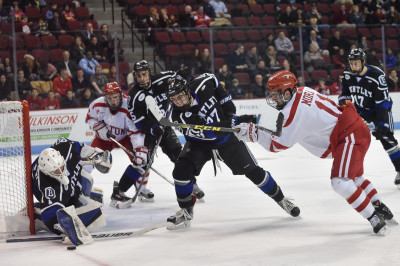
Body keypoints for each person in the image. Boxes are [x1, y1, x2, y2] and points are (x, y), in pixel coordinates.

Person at [235, 70, 394, 235]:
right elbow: (286, 125)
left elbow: (277, 145)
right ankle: (378, 205)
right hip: (352, 129)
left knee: (341, 182)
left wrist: (253, 133)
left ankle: (374, 217)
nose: (273, 98)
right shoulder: (303, 91)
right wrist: (258, 128)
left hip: (349, 135)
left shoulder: (294, 113)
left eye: (276, 94)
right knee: (355, 178)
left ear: (288, 92)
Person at [163, 74, 300, 229]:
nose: (178, 102)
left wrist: (226, 102)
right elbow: (211, 132)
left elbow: (213, 79)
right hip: (199, 144)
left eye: (180, 96)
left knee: (254, 172)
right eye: (174, 99)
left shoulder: (203, 84)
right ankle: (186, 211)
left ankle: (282, 200)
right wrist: (236, 120)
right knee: (181, 171)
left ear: (188, 91)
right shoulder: (179, 115)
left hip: (227, 141)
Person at [127, 60, 205, 201]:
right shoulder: (133, 95)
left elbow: (178, 81)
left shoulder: (163, 79)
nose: (142, 78)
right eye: (138, 75)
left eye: (144, 74)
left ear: (149, 73)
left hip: (165, 125)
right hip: (148, 131)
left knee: (179, 156)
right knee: (144, 161)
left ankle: (192, 186)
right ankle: (141, 189)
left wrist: (183, 76)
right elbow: (137, 119)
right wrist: (152, 127)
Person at [32, 137, 111, 245]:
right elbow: (49, 216)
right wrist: (66, 228)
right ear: (47, 173)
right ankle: (36, 213)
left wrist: (95, 154)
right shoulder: (48, 186)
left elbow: (74, 145)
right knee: (96, 214)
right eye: (56, 171)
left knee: (92, 188)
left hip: (67, 185)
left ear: (61, 158)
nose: (60, 172)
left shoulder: (64, 149)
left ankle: (75, 198)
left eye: (61, 167)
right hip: (57, 194)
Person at [339, 48, 400, 187]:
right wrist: (345, 105)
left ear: (363, 62)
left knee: (388, 141)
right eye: (351, 63)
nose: (353, 66)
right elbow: (345, 95)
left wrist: (382, 125)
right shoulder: (347, 74)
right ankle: (351, 173)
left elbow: (383, 103)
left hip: (378, 111)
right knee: (352, 140)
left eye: (356, 63)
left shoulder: (376, 75)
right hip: (360, 112)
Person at [86, 82, 152, 207]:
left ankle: (141, 189)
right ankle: (80, 190)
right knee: (88, 161)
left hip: (125, 138)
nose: (113, 101)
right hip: (103, 139)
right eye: (110, 98)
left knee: (142, 161)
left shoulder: (129, 106)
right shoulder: (97, 104)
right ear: (105, 97)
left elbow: (135, 131)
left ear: (120, 95)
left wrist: (139, 148)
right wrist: (99, 128)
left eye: (115, 97)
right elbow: (90, 117)